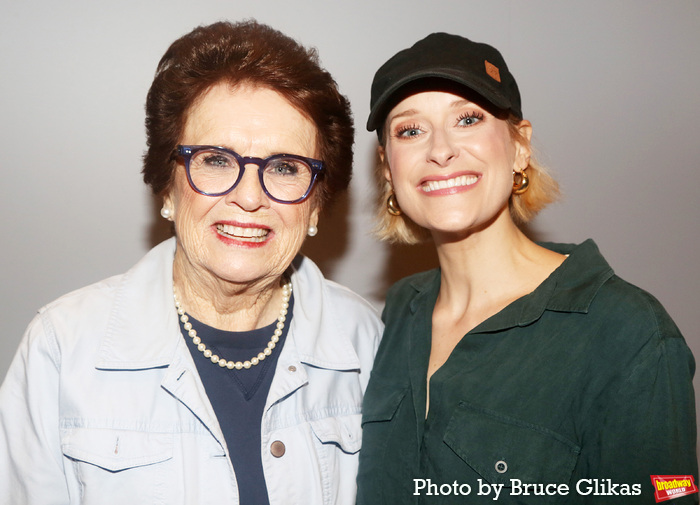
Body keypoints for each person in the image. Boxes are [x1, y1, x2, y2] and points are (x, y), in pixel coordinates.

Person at [0, 20, 382, 505]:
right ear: (167, 186)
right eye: (216, 160)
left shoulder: (367, 343)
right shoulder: (61, 348)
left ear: (316, 205)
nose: (248, 197)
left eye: (285, 168)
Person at [356, 33, 697, 504]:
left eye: (468, 118)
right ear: (389, 170)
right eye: (409, 130)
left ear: (519, 147)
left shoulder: (627, 331)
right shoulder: (398, 312)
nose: (440, 150)